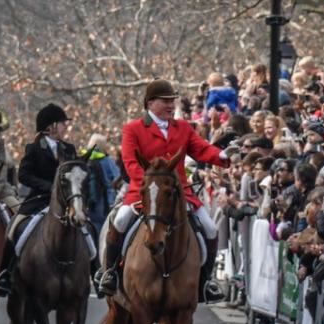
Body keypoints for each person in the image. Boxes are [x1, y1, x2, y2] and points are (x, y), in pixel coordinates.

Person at [93, 79, 234, 303]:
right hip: (144, 191)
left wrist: (223, 156)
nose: (170, 105)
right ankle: (109, 272)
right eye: (165, 101)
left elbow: (201, 149)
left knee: (210, 228)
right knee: (120, 221)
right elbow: (131, 163)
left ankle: (205, 282)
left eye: (172, 101)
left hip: (179, 193)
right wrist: (149, 186)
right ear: (150, 103)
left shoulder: (184, 127)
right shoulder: (133, 129)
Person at [0, 103, 77, 296]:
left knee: (86, 229)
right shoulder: (33, 148)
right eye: (62, 123)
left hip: (66, 202)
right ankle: (5, 272)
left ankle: (96, 272)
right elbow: (24, 175)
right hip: (39, 199)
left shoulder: (69, 149)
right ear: (50, 126)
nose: (65, 127)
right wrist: (49, 187)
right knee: (14, 228)